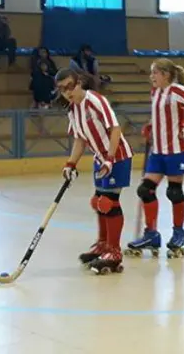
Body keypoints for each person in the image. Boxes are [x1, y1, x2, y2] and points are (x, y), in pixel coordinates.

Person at [126, 59, 184, 259]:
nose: (151, 77)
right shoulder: (155, 92)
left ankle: (178, 233)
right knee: (145, 189)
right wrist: (150, 125)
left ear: (165, 74)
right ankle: (151, 234)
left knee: (174, 192)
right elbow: (160, 116)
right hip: (158, 150)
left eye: (154, 73)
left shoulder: (176, 90)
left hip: (176, 149)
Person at [58, 68, 134, 275]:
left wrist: (110, 159)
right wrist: (71, 163)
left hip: (117, 157)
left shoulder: (96, 101)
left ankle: (115, 251)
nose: (67, 92)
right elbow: (80, 138)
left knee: (108, 203)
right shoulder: (73, 109)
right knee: (98, 202)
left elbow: (115, 129)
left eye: (70, 87)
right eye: (62, 89)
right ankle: (103, 244)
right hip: (99, 159)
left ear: (79, 83)